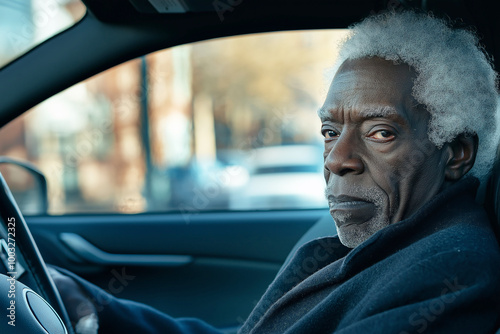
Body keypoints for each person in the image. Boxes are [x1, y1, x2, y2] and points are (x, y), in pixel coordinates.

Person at [51, 10, 500, 334]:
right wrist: (97, 309)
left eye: (380, 132)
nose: (336, 158)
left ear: (456, 152)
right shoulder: (385, 238)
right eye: (329, 130)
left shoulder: (450, 272)